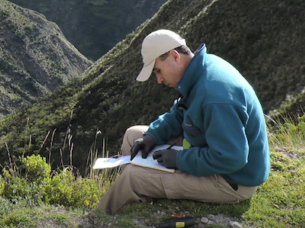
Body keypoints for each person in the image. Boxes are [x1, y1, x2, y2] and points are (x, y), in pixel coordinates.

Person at [97, 29, 270, 215]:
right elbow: (179, 114)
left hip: (232, 180)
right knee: (133, 136)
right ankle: (140, 199)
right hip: (211, 149)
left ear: (174, 56)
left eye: (158, 70)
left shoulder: (214, 96)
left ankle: (101, 218)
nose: (159, 79)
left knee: (133, 177)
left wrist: (180, 160)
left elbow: (232, 157)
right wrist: (152, 136)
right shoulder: (201, 70)